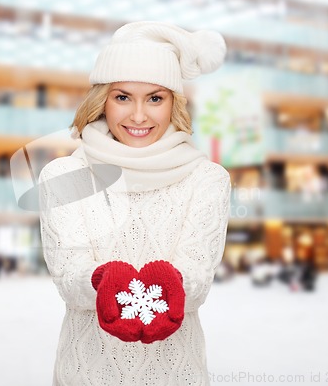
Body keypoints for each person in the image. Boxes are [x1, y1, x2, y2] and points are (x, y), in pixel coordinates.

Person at [39, 21, 230, 385]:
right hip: (87, 374)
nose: (138, 116)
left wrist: (169, 284)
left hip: (176, 374)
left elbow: (198, 279)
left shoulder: (207, 179)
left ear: (173, 103)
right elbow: (67, 275)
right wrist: (100, 281)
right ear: (102, 101)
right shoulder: (63, 175)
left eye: (155, 98)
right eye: (122, 96)